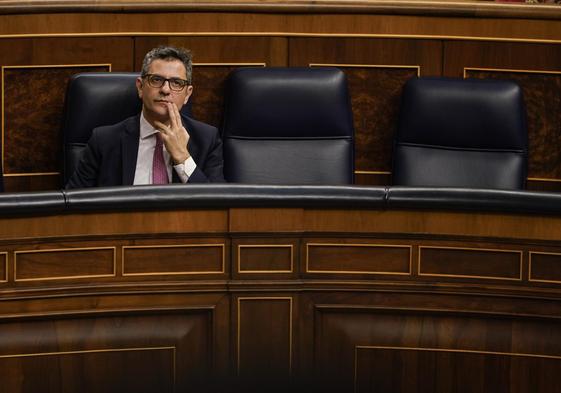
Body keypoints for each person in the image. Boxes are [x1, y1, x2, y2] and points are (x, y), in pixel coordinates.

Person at [66, 46, 224, 188]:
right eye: (156, 80)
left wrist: (182, 157)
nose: (165, 89)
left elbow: (219, 205)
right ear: (140, 87)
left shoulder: (207, 140)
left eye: (176, 83)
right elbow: (74, 203)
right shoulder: (104, 141)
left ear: (187, 94)